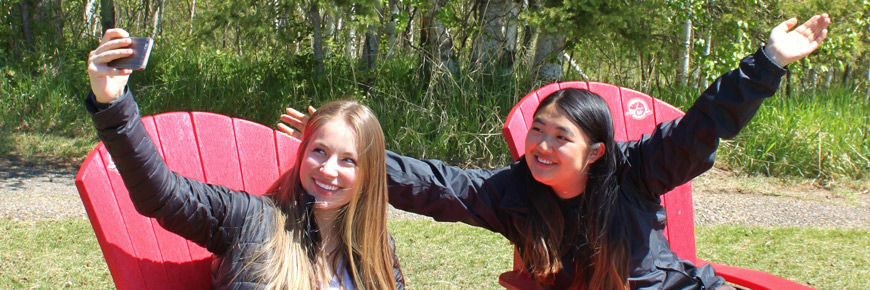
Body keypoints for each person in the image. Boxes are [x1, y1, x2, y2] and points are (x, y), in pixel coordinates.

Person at [280, 14, 830, 289]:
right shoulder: (510, 194)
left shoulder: (637, 172)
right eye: (537, 129)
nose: (541, 144)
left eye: (559, 136)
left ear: (594, 152)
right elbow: (432, 182)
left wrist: (770, 62)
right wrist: (347, 150)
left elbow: (701, 129)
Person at [85, 28, 405, 289]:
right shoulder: (251, 221)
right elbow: (163, 196)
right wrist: (113, 103)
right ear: (302, 152)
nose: (328, 169)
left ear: (369, 174)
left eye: (348, 160)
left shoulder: (377, 247)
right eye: (319, 151)